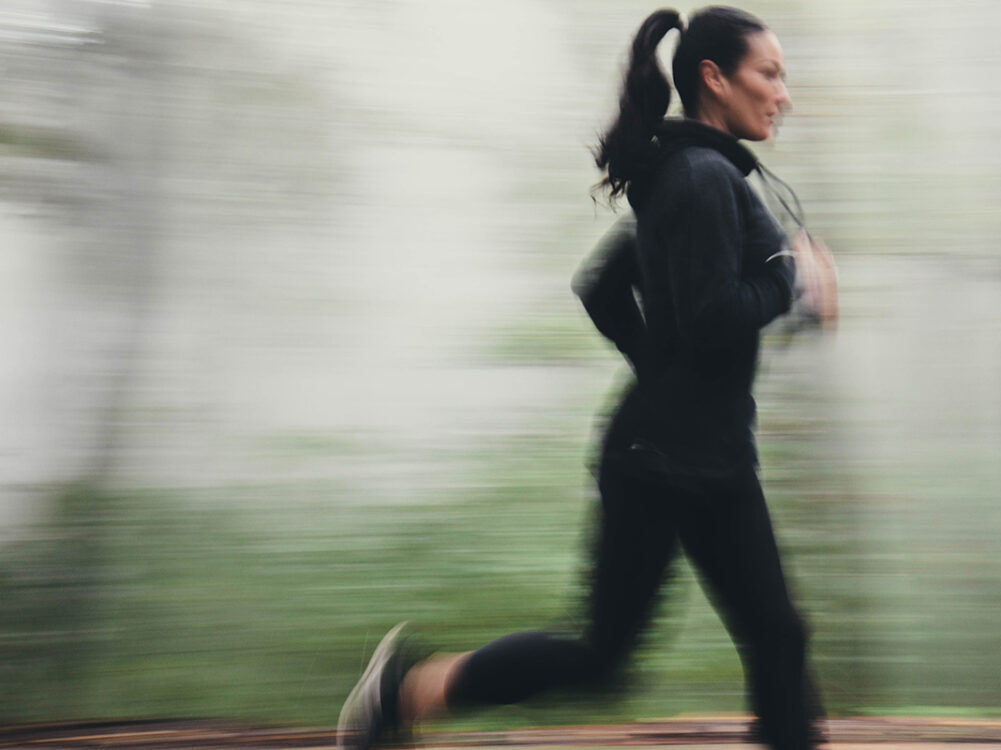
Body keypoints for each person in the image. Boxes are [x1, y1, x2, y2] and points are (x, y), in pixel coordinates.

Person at [336, 7, 837, 750]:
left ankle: (405, 694)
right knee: (638, 649)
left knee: (768, 636)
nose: (783, 94)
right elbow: (709, 316)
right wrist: (793, 283)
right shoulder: (701, 177)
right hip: (669, 462)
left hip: (695, 452)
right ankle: (404, 692)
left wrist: (664, 371)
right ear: (714, 78)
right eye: (769, 73)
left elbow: (603, 287)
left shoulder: (688, 174)